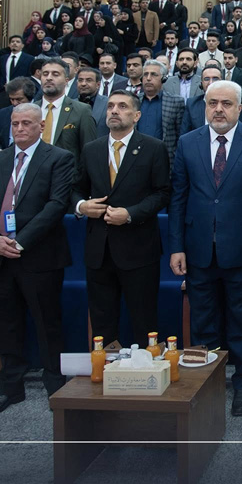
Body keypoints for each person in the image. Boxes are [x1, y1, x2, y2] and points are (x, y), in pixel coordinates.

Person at [169, 81, 242, 417]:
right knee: (203, 323)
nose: (218, 109)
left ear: (239, 108)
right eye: (212, 102)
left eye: (226, 103)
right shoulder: (187, 142)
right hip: (198, 250)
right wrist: (176, 246)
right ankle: (208, 382)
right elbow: (178, 198)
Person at [0, 103, 76, 417]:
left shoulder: (58, 158)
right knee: (7, 324)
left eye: (26, 123)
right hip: (0, 256)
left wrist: (21, 241)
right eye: (15, 123)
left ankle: (55, 386)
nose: (19, 129)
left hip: (39, 256)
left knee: (47, 324)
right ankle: (10, 389)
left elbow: (57, 204)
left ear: (41, 126)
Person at [72, 90, 170, 347]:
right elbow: (76, 190)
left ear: (137, 116)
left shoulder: (153, 148)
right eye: (111, 106)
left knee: (144, 320)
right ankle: (105, 367)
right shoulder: (91, 149)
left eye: (123, 106)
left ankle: (146, 368)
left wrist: (130, 214)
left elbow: (162, 193)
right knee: (102, 322)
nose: (114, 110)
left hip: (139, 248)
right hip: (99, 250)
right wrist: (82, 206)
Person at [135, 59, 186, 165]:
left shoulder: (176, 102)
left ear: (163, 79)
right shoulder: (133, 101)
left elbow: (180, 135)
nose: (148, 78)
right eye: (145, 74)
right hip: (136, 158)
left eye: (154, 74)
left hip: (164, 159)